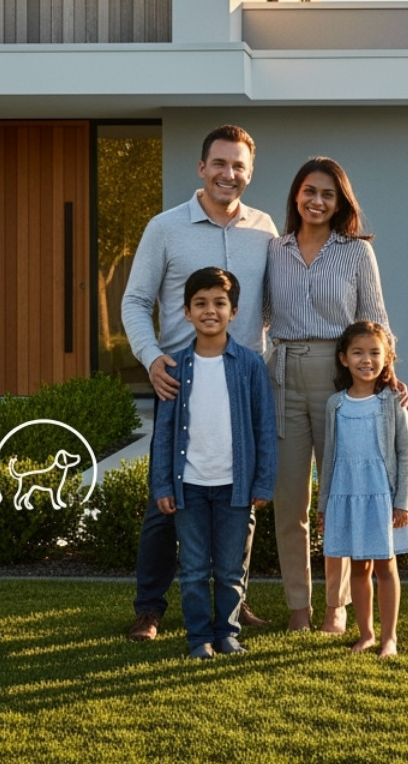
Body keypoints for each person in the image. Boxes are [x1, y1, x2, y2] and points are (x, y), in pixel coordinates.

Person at [121, 125, 278, 642]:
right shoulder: (165, 228)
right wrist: (151, 359)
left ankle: (234, 605)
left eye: (238, 166)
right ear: (201, 168)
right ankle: (150, 607)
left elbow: (275, 307)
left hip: (243, 379)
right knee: (166, 503)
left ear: (249, 174)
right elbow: (135, 301)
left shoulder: (264, 229)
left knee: (240, 504)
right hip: (179, 380)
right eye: (219, 163)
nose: (228, 174)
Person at [266, 157, 401, 633]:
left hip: (336, 375)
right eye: (309, 191)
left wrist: (386, 377)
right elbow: (256, 316)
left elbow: (375, 319)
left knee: (339, 495)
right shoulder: (274, 249)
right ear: (296, 196)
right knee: (290, 500)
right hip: (281, 374)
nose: (317, 201)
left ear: (340, 201)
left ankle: (336, 608)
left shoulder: (356, 252)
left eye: (327, 194)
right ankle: (298, 608)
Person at [150, 267, 277, 659]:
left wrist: (262, 483)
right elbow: (164, 434)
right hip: (188, 487)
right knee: (191, 570)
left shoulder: (250, 365)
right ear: (186, 312)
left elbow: (264, 426)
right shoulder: (174, 367)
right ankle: (198, 638)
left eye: (219, 303)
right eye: (200, 304)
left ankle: (227, 633)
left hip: (234, 487)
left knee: (228, 569)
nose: (210, 311)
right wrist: (163, 486)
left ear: (234, 311)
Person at [318, 320, 408, 658]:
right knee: (358, 567)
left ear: (387, 357)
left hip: (382, 496)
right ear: (343, 358)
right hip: (347, 496)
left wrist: (401, 500)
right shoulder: (335, 404)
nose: (366, 360)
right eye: (358, 352)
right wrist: (323, 505)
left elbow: (405, 453)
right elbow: (329, 459)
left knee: (385, 566)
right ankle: (366, 634)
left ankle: (389, 638)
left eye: (375, 353)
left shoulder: (392, 402)